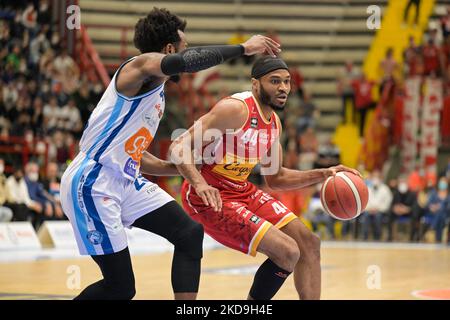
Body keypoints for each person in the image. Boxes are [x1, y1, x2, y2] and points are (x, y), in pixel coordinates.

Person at [59, 7, 280, 300]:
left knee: (189, 234)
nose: (186, 52)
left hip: (124, 179)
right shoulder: (138, 67)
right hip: (93, 181)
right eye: (183, 45)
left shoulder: (156, 93)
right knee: (120, 288)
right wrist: (243, 48)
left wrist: (179, 167)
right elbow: (185, 62)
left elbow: (134, 154)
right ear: (168, 49)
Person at [170, 56, 359, 300]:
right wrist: (199, 183)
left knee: (309, 243)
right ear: (255, 84)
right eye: (275, 81)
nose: (283, 88)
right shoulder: (235, 110)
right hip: (208, 195)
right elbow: (178, 146)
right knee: (288, 251)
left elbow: (276, 178)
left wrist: (323, 174)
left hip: (240, 190)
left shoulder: (274, 124)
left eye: (287, 82)